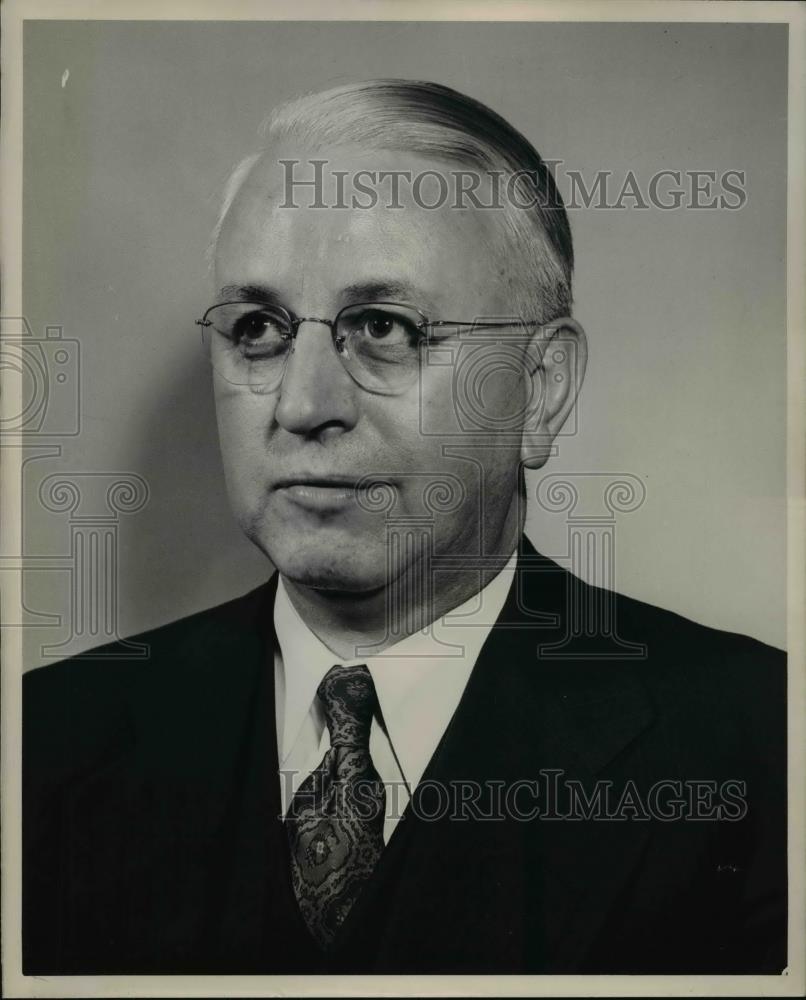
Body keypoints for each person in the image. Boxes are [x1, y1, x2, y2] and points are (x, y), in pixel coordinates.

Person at [23, 79, 786, 975]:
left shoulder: (764, 744)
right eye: (260, 328)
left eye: (385, 326)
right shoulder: (44, 739)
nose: (304, 405)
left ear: (541, 391)